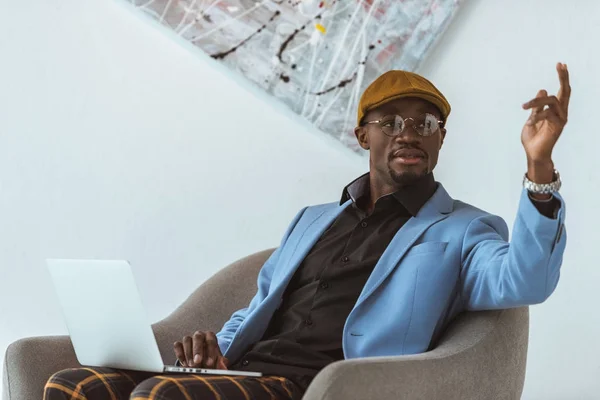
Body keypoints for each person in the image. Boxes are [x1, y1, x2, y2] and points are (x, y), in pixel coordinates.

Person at [44, 64, 570, 400]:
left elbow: (525, 280)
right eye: (391, 121)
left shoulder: (462, 228)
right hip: (243, 373)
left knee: (159, 399)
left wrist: (539, 170)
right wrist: (213, 354)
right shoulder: (314, 218)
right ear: (362, 133)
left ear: (441, 140)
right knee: (71, 386)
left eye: (426, 124)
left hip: (314, 386)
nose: (409, 133)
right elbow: (257, 309)